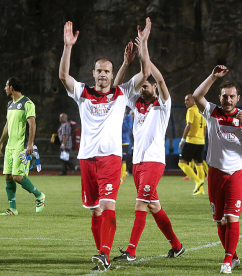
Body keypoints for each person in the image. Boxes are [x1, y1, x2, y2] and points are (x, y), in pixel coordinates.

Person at [58, 19, 151, 271]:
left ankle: (104, 253)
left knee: (108, 206)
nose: (102, 74)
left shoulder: (121, 94)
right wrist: (68, 47)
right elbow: (64, 76)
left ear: (112, 74)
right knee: (94, 211)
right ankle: (102, 255)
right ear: (93, 73)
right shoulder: (83, 93)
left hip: (110, 159)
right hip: (86, 159)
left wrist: (144, 45)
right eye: (99, 70)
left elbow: (145, 73)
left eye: (106, 71)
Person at [112, 36, 185, 262]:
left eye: (146, 84)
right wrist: (127, 63)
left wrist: (144, 50)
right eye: (141, 85)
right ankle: (177, 245)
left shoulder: (162, 105)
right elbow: (115, 89)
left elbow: (162, 82)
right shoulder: (136, 103)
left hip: (154, 161)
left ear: (153, 86)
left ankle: (131, 251)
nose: (142, 87)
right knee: (154, 206)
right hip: (138, 162)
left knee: (140, 204)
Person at [193, 65, 242, 274]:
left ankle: (227, 260)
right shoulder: (212, 112)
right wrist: (213, 76)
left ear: (238, 98)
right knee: (219, 221)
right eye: (225, 96)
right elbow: (197, 95)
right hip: (214, 173)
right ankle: (234, 256)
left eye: (232, 97)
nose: (228, 100)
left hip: (236, 173)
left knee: (231, 218)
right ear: (220, 97)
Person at [0, 77, 45, 216]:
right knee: (7, 176)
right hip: (10, 146)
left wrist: (30, 143)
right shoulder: (10, 104)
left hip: (21, 146)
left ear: (12, 87)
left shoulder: (27, 103)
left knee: (17, 176)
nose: (5, 88)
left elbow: (32, 124)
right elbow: (8, 125)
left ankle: (39, 195)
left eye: (6, 86)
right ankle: (12, 209)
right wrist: (1, 142)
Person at [178, 94, 207, 195]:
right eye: (185, 100)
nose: (186, 102)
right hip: (201, 141)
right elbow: (205, 128)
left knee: (181, 163)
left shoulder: (191, 110)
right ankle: (201, 190)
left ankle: (197, 181)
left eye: (187, 100)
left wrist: (182, 139)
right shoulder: (202, 111)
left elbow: (188, 125)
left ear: (193, 100)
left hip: (192, 141)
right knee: (199, 165)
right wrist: (202, 138)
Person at [121, 108, 133, 184]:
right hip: (116, 141)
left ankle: (121, 177)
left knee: (123, 159)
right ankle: (120, 175)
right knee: (117, 160)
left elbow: (127, 129)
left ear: (125, 110)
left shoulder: (128, 118)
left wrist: (122, 120)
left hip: (125, 142)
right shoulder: (116, 116)